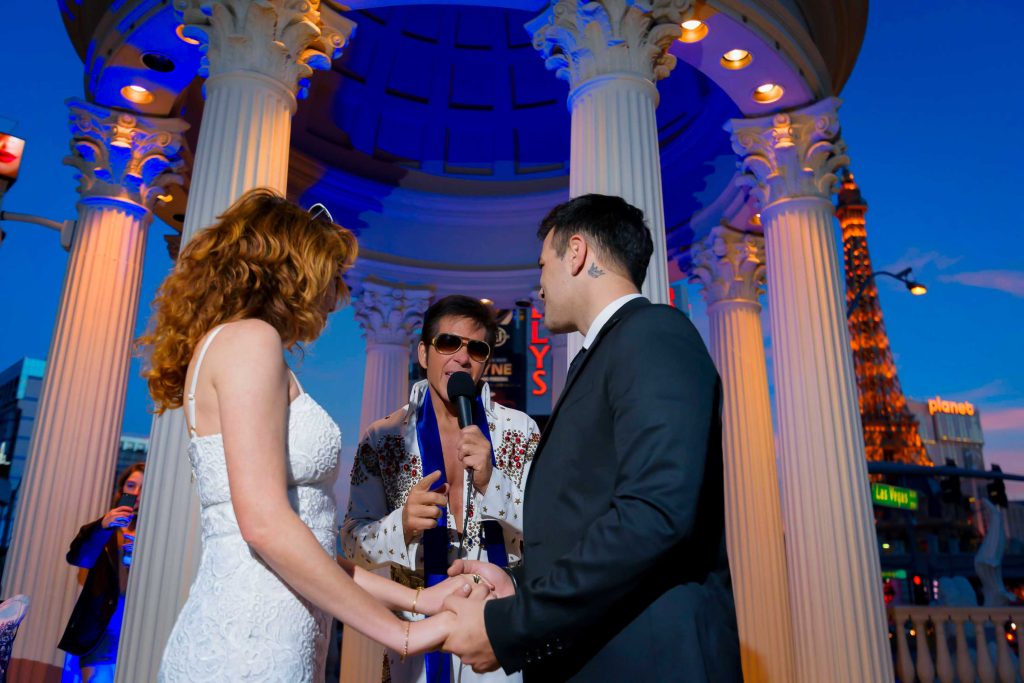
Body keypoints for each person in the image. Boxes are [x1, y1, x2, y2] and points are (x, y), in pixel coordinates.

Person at [137, 189, 489, 682]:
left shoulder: (238, 343)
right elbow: (264, 526)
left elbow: (310, 545)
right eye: (333, 276)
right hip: (249, 648)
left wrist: (417, 599)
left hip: (278, 634)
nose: (339, 297)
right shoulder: (249, 340)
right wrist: (402, 634)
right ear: (294, 270)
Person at [443, 194, 742, 681]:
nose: (538, 286)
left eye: (543, 265)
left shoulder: (653, 333)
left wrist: (512, 625)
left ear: (576, 252)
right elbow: (586, 519)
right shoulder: (601, 356)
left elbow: (654, 514)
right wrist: (521, 584)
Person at [342, 295, 540, 683]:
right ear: (423, 353)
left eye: (476, 349)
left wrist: (492, 483)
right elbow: (351, 545)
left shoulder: (520, 432)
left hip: (497, 625)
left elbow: (547, 532)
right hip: (416, 637)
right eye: (448, 343)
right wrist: (401, 525)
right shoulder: (383, 438)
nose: (462, 358)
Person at [58, 463, 145, 682]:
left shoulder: (156, 532)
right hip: (103, 629)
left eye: (143, 488)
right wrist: (103, 527)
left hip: (141, 626)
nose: (135, 493)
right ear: (121, 490)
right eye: (131, 485)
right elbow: (78, 558)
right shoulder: (104, 529)